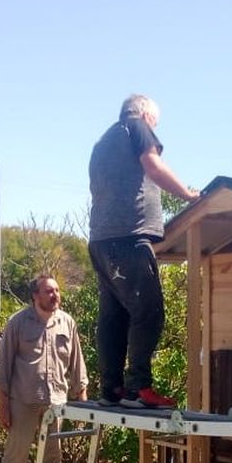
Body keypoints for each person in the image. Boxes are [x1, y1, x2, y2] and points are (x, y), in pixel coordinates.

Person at [87, 93, 201, 409]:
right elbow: (152, 164)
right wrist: (187, 194)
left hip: (101, 241)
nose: (154, 128)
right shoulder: (135, 126)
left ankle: (112, 389)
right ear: (145, 114)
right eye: (156, 122)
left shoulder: (102, 143)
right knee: (149, 311)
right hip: (127, 238)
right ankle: (139, 388)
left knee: (115, 314)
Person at [0, 275, 88, 463]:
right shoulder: (18, 323)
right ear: (35, 296)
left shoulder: (67, 322)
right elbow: (3, 369)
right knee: (16, 456)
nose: (55, 295)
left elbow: (77, 364)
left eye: (57, 290)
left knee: (52, 457)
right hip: (22, 401)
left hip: (56, 402)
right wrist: (3, 407)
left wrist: (83, 400)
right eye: (48, 291)